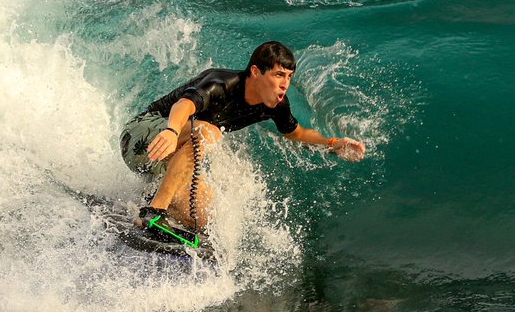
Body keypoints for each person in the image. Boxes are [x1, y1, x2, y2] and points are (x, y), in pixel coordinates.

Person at [119, 41, 366, 235]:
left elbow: (296, 133)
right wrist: (172, 131)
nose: (285, 84)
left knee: (204, 220)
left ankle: (149, 205)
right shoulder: (221, 83)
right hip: (144, 137)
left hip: (164, 160)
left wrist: (333, 143)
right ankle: (154, 211)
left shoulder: (275, 104)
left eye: (289, 77)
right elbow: (184, 104)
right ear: (256, 72)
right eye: (279, 75)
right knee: (208, 132)